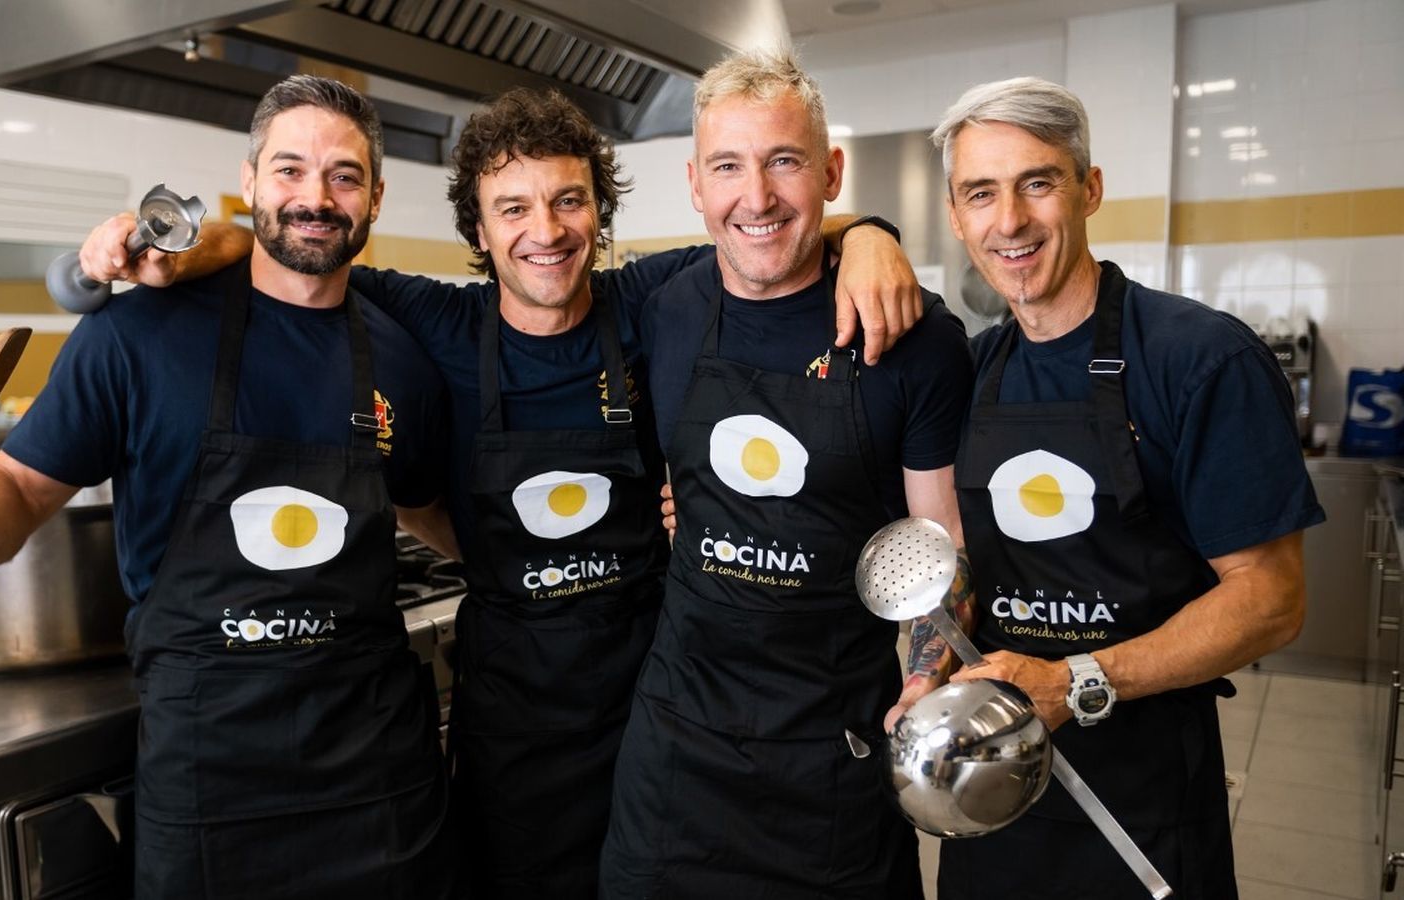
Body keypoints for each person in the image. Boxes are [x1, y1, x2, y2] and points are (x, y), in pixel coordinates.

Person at [76, 88, 924, 898]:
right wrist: (186, 243)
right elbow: (291, 251)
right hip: (513, 722)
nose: (545, 232)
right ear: (477, 229)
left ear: (600, 212)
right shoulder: (431, 320)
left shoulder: (651, 301)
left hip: (652, 707)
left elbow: (768, 233)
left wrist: (872, 235)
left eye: (568, 201)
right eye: (512, 208)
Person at [0, 75, 457, 899]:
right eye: (288, 170)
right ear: (247, 183)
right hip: (209, 775)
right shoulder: (135, 334)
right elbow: (18, 494)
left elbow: (427, 507)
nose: (315, 197)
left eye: (343, 176)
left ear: (376, 197)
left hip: (377, 772)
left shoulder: (400, 357)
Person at [597, 47, 976, 898]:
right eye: (728, 166)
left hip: (829, 764)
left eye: (785, 162)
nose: (756, 197)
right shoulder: (661, 307)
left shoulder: (916, 342)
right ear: (696, 184)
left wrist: (927, 668)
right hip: (676, 762)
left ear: (831, 172)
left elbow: (942, 547)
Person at [933, 77, 1323, 899]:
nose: (1009, 221)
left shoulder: (1200, 360)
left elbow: (1271, 598)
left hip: (1143, 797)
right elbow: (965, 558)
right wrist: (928, 665)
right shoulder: (973, 371)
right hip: (995, 796)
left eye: (1037, 182)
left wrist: (1075, 682)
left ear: (1089, 189)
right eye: (981, 193)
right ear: (956, 213)